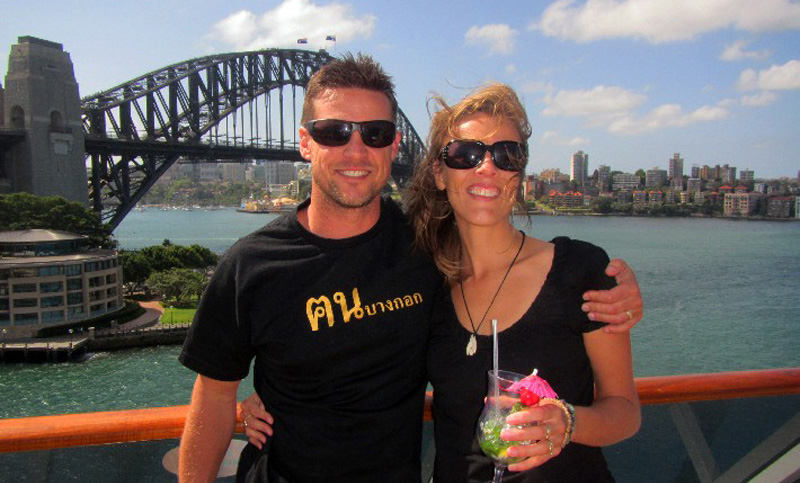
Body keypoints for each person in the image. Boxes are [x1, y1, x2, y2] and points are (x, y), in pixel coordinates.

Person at [180, 54, 642, 483]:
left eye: (376, 133)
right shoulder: (250, 265)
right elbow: (214, 398)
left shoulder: (422, 251)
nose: (356, 150)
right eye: (334, 132)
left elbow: (616, 394)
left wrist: (621, 291)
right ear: (305, 143)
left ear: (394, 144)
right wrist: (259, 398)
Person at [406, 83, 641, 481]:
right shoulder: (426, 283)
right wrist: (264, 400)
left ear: (519, 173)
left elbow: (625, 410)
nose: (487, 167)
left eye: (506, 155)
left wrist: (567, 423)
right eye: (465, 154)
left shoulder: (578, 270)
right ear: (439, 174)